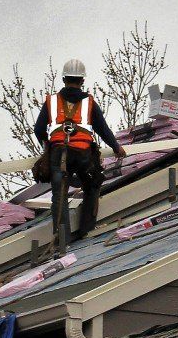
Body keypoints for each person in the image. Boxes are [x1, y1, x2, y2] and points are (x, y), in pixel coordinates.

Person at [32, 60, 128, 242]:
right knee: (92, 185)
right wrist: (117, 147)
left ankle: (63, 241)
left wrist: (47, 145)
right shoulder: (89, 103)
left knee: (59, 197)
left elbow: (38, 129)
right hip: (83, 154)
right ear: (82, 81)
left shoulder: (51, 101)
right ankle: (86, 231)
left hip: (58, 154)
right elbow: (103, 129)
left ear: (64, 79)